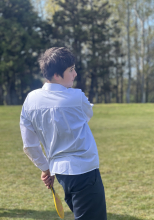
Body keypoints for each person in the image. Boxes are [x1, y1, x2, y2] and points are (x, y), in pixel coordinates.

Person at [20, 47, 107, 220]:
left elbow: (29, 145)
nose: (75, 74)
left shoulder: (30, 99)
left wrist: (46, 168)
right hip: (84, 172)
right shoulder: (76, 97)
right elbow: (87, 114)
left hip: (62, 174)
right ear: (57, 75)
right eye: (71, 70)